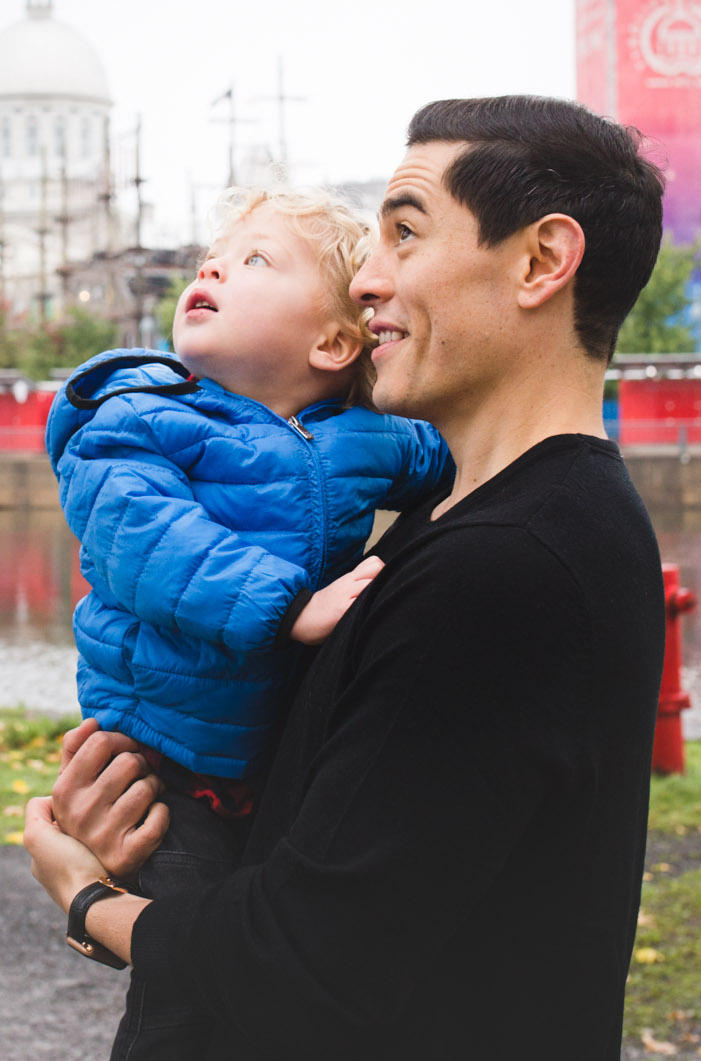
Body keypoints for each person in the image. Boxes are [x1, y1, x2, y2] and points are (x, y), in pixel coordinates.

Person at [25, 94, 670, 1059]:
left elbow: (305, 960)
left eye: (404, 234)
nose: (366, 279)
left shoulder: (507, 568)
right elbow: (361, 835)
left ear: (541, 261)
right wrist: (157, 805)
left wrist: (87, 895)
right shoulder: (479, 519)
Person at [44, 183, 452, 1058]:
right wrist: (286, 607)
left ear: (334, 342)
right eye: (212, 259)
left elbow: (449, 456)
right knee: (183, 975)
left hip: (271, 757)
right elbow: (144, 538)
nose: (215, 266)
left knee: (279, 958)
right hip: (163, 756)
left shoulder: (358, 436)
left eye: (257, 260)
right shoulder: (141, 420)